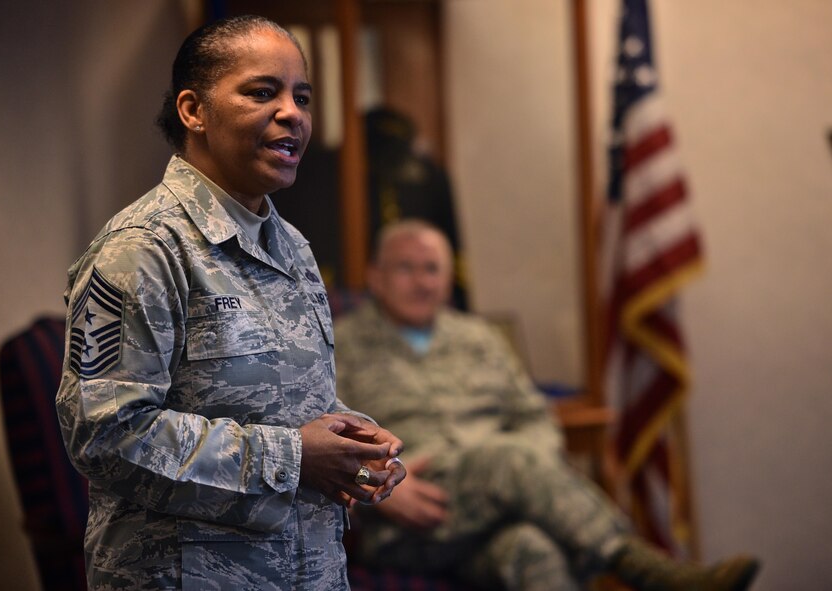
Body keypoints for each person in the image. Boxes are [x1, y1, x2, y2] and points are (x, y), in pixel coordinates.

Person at [55, 15, 405, 590]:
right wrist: (293, 456)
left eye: (303, 96)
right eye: (262, 92)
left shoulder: (291, 245)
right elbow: (104, 436)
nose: (293, 113)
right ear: (194, 111)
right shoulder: (143, 248)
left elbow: (281, 399)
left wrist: (351, 443)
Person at [334, 219, 759, 591]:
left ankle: (624, 558)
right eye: (405, 268)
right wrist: (371, 481)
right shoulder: (341, 344)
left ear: (448, 279)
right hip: (407, 517)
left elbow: (533, 417)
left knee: (534, 552)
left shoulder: (479, 339)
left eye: (432, 269)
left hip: (505, 501)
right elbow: (328, 433)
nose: (422, 281)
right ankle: (643, 568)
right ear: (375, 277)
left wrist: (527, 479)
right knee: (507, 460)